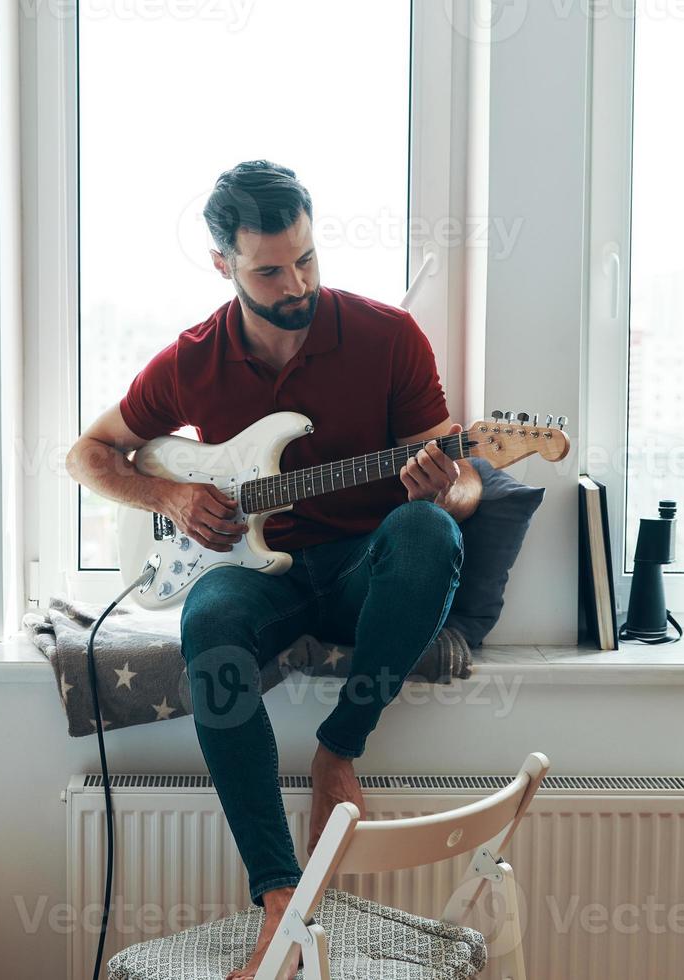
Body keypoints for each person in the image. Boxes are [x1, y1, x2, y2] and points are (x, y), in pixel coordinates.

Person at [66, 160, 481, 978]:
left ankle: (338, 750)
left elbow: (465, 474)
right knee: (207, 622)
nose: (295, 283)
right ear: (223, 264)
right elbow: (87, 453)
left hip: (367, 568)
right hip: (257, 575)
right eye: (268, 269)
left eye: (307, 259)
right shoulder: (192, 360)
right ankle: (280, 899)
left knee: (429, 530)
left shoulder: (387, 336)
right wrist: (175, 497)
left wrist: (448, 487)